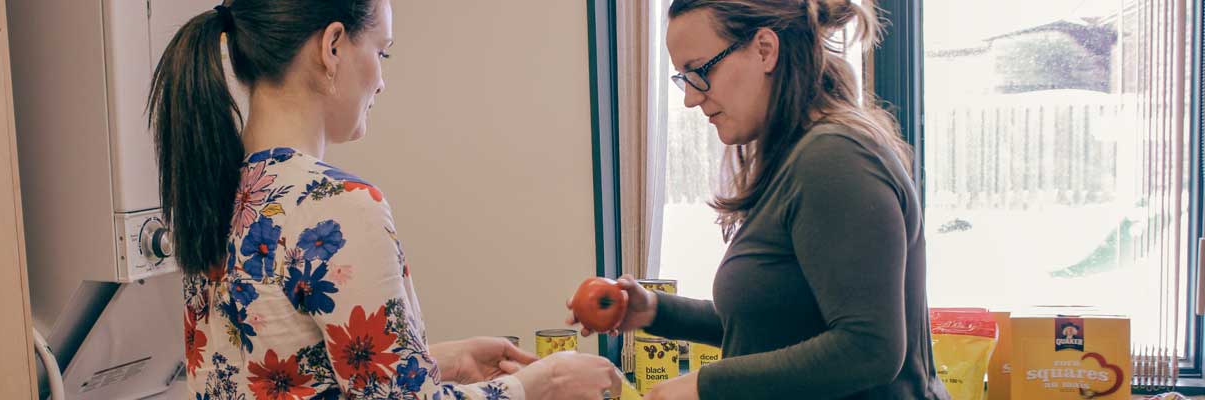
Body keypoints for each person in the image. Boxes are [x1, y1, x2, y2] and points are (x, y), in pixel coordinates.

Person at [148, 1, 618, 399]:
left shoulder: (212, 197)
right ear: (332, 47)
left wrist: (446, 360)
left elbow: (287, 375)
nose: (381, 81)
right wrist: (545, 381)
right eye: (381, 52)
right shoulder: (337, 206)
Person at [569, 0, 951, 398]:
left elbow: (869, 348)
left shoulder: (834, 158)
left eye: (701, 71)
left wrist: (705, 385)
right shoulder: (800, 156)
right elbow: (776, 322)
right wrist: (655, 311)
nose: (691, 98)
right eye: (683, 78)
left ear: (765, 50)